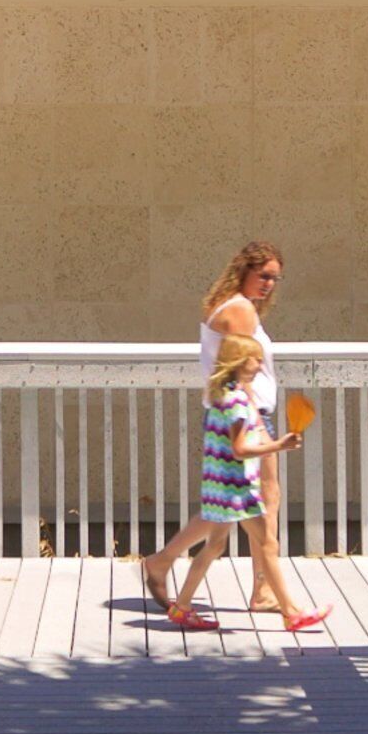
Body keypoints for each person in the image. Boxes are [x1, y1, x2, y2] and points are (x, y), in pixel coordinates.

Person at [140, 241, 290, 610]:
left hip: (232, 413)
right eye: (264, 275)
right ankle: (263, 591)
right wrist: (254, 422)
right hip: (245, 415)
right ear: (245, 270)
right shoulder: (239, 311)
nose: (269, 284)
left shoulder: (230, 305)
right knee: (260, 499)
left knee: (228, 503)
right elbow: (242, 373)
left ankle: (163, 562)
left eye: (275, 278)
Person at [166, 332, 325, 632]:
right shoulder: (238, 401)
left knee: (214, 547)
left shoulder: (219, 395)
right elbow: (239, 449)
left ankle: (181, 607)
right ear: (239, 362)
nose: (259, 363)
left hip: (216, 487)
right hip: (235, 489)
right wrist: (279, 446)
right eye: (253, 358)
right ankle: (291, 613)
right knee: (268, 543)